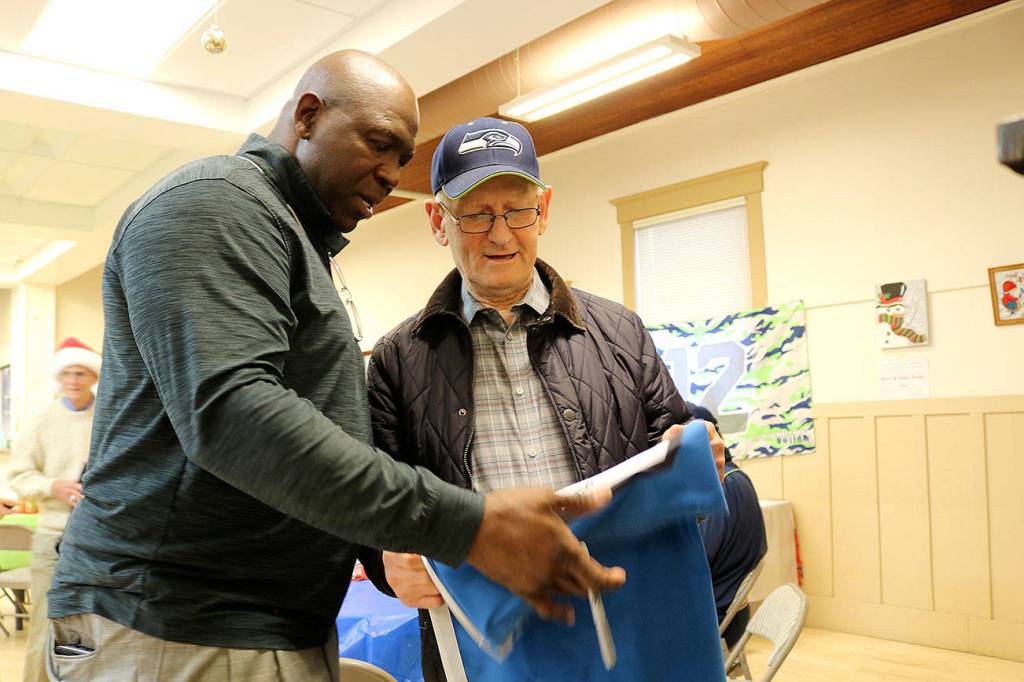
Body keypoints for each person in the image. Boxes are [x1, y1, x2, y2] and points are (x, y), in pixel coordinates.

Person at [46, 52, 623, 682]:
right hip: (178, 626)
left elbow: (322, 453)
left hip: (262, 627)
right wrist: (467, 525)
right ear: (308, 115)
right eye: (379, 144)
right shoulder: (216, 202)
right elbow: (233, 414)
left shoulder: (293, 240)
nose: (388, 174)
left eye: (403, 159)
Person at [365, 117, 726, 681]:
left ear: (545, 210)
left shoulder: (619, 331)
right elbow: (378, 513)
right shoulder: (396, 361)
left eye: (517, 211)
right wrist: (389, 566)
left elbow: (677, 450)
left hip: (622, 620)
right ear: (438, 220)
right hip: (487, 637)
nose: (502, 234)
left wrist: (707, 457)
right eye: (478, 215)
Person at [7, 338, 99, 682]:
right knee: (45, 624)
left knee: (96, 628)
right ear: (58, 378)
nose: (73, 380)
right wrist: (54, 486)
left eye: (81, 373)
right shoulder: (42, 419)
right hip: (53, 535)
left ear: (93, 376)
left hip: (101, 537)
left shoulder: (109, 413)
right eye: (67, 374)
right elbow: (18, 476)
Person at [690, 403, 768, 649]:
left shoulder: (723, 486)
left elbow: (699, 559)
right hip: (728, 611)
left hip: (719, 620)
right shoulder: (736, 477)